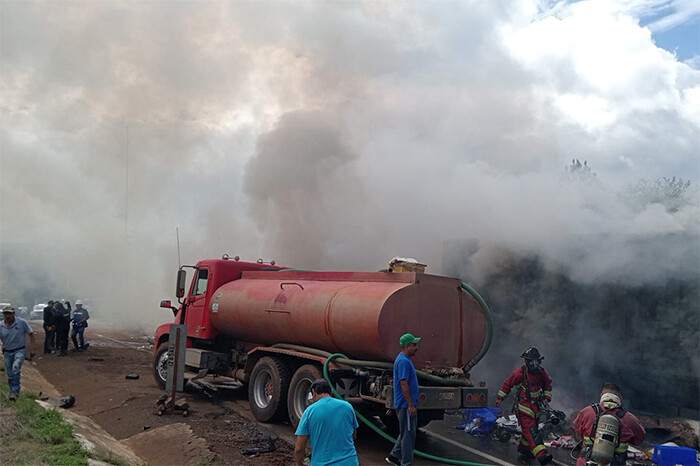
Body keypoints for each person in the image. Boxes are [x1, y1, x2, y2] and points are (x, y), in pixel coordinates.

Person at [495, 347, 553, 465]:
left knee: (530, 431)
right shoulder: (520, 373)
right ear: (526, 362)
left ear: (539, 361)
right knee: (532, 432)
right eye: (529, 361)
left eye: (534, 361)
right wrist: (500, 397)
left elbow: (548, 384)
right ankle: (542, 455)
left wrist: (547, 398)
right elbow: (508, 383)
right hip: (524, 407)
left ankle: (524, 449)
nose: (532, 364)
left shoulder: (542, 373)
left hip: (536, 407)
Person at [573, 383, 645, 466]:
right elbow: (639, 439)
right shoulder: (630, 418)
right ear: (620, 399)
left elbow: (578, 430)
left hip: (586, 463)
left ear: (601, 395)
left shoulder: (587, 412)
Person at [294, 378, 359, 466]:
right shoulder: (347, 407)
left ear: (314, 392)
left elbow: (299, 448)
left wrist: (299, 464)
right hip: (350, 462)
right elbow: (353, 436)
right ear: (331, 392)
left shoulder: (309, 412)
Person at [386, 333, 421, 466]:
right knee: (408, 436)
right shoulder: (403, 361)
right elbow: (403, 383)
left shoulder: (405, 360)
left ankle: (394, 456)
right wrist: (410, 405)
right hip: (405, 405)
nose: (416, 348)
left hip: (406, 404)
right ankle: (406, 463)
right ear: (407, 346)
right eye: (414, 345)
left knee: (406, 432)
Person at [0, 306, 37, 400]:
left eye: (9, 313)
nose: (8, 316)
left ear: (13, 314)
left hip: (19, 350)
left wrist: (33, 349)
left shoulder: (21, 323)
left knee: (16, 367)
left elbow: (31, 335)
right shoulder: (1, 325)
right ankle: (12, 385)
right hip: (7, 352)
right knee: (9, 372)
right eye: (6, 314)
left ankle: (14, 393)